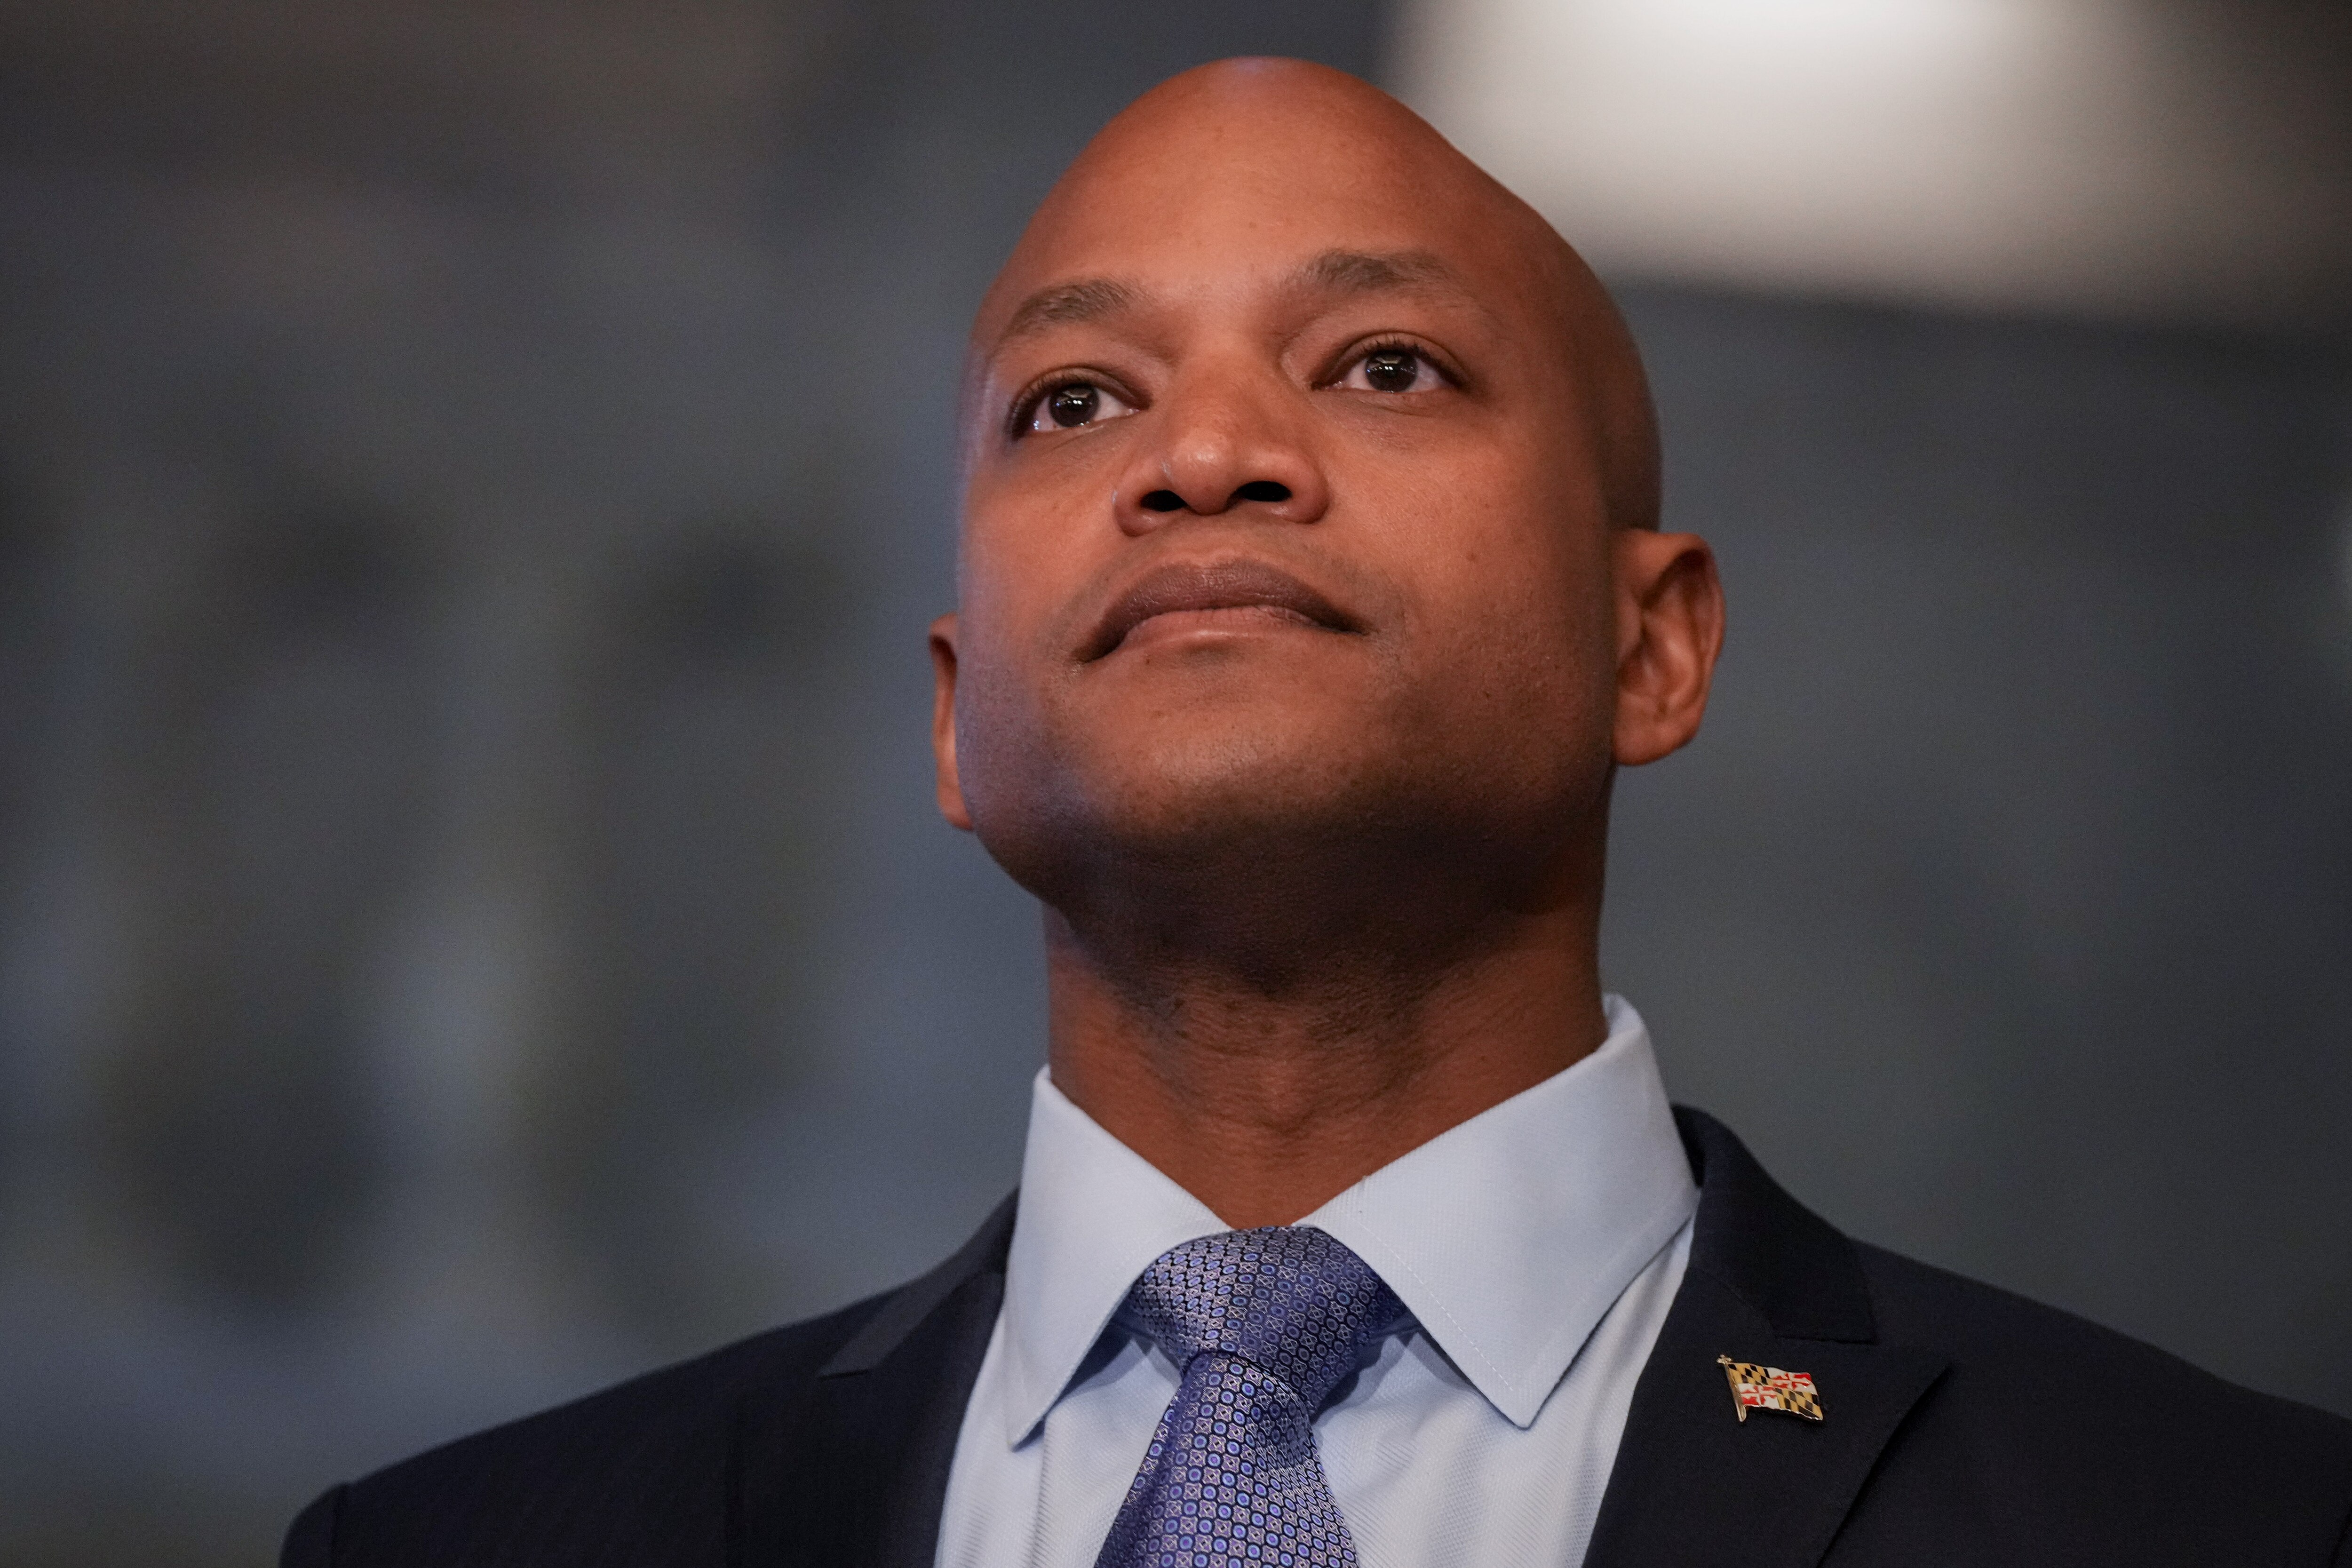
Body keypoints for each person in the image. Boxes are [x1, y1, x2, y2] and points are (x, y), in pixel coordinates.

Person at [281, 58, 2352, 1568]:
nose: (1202, 456)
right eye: (1071, 402)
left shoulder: (2223, 1527)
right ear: (949, 716)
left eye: (1376, 365)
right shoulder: (469, 1548)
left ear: (1654, 645)